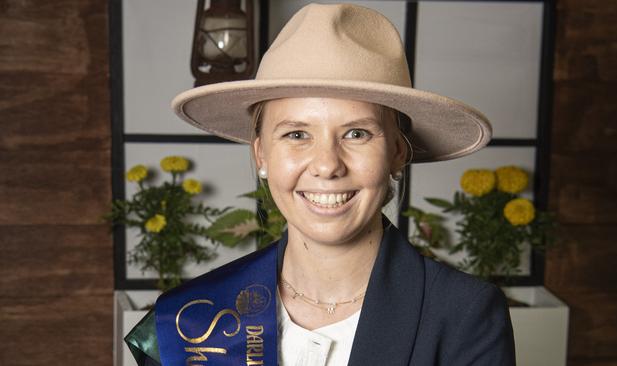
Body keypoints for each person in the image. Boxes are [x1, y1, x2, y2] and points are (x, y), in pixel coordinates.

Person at [125, 3, 515, 365]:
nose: (327, 165)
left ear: (397, 153)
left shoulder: (464, 315)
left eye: (357, 134)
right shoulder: (188, 318)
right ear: (261, 154)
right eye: (296, 134)